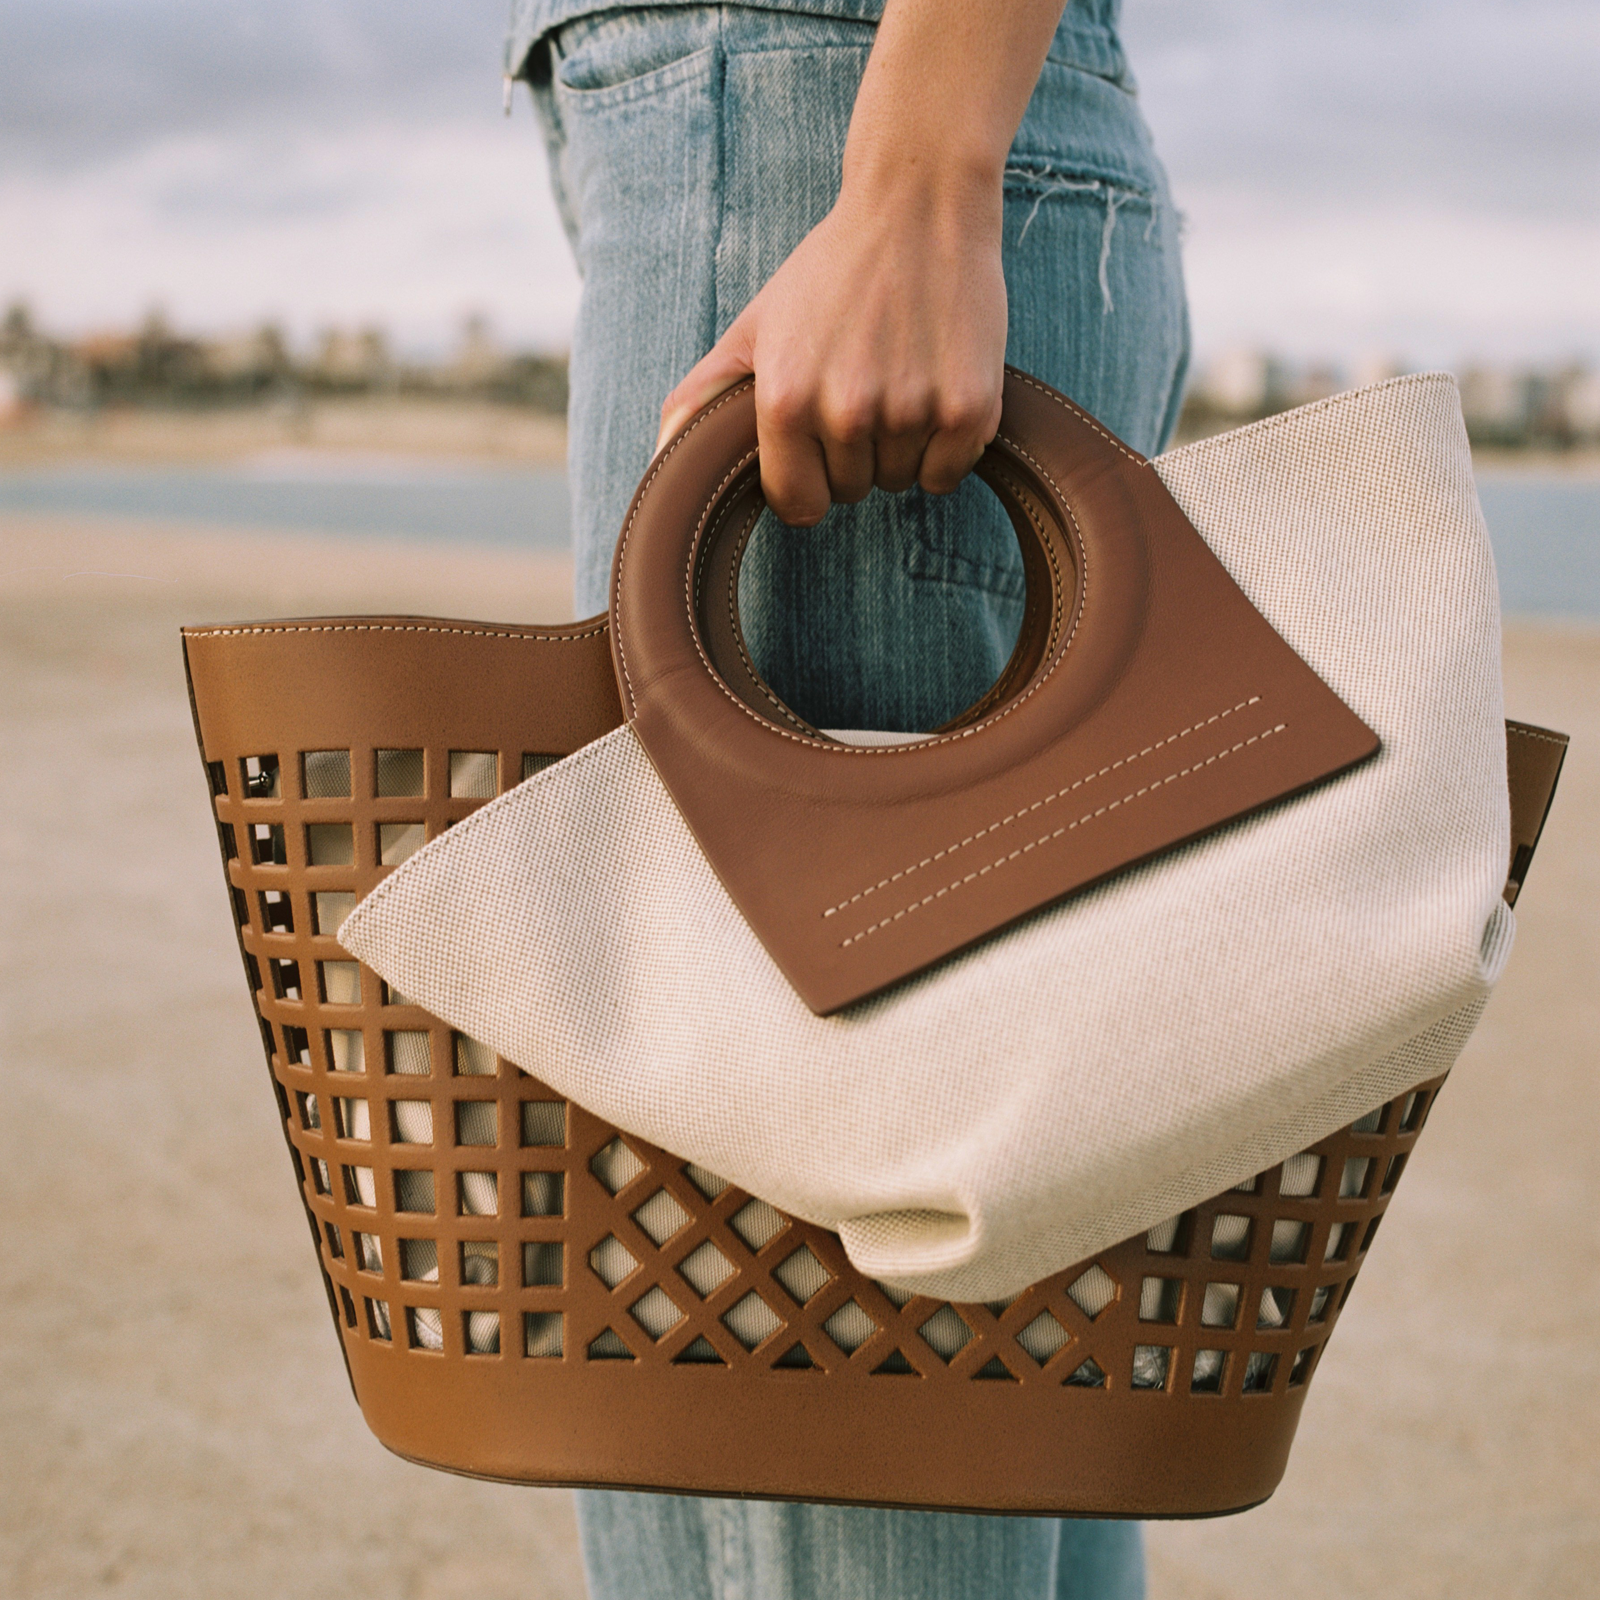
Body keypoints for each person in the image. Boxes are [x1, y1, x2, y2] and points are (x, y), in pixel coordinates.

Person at [509, 0, 1187, 1592]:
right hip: (824, 122)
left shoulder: (868, 156)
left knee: (790, 1388)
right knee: (995, 1351)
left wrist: (914, 175)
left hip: (814, 124)